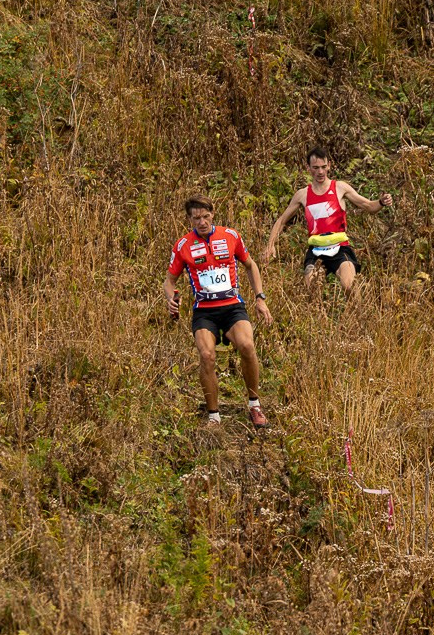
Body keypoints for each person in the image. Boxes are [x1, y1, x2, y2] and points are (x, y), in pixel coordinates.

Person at [164, 194, 273, 427]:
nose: (201, 222)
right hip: (204, 311)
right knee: (206, 356)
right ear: (189, 219)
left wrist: (260, 298)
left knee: (247, 345)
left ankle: (254, 405)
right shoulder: (183, 245)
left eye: (205, 216)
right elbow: (169, 281)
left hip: (232, 307)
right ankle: (214, 416)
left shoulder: (231, 236)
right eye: (196, 218)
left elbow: (250, 265)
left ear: (212, 214)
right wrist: (170, 299)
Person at [264, 146, 393, 295]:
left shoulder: (340, 188)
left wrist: (382, 202)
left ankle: (358, 314)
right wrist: (270, 245)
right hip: (316, 251)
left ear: (329, 166)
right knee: (312, 291)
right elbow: (281, 221)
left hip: (340, 247)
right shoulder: (302, 195)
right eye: (316, 168)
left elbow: (369, 206)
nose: (320, 172)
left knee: (349, 286)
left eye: (324, 167)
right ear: (308, 168)